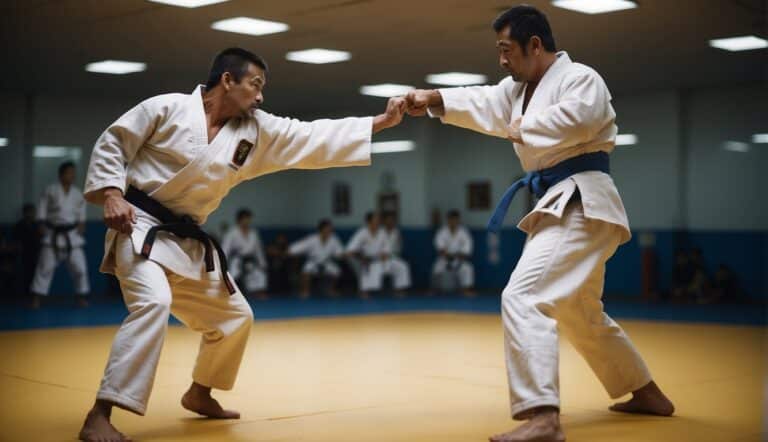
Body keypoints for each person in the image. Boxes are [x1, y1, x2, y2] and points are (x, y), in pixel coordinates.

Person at [78, 47, 407, 442]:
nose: (261, 96)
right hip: (140, 226)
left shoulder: (255, 131)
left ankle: (200, 393)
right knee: (154, 302)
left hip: (186, 240)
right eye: (255, 84)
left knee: (235, 317)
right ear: (227, 80)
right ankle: (101, 412)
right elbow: (114, 143)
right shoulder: (166, 107)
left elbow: (311, 134)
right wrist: (112, 194)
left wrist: (381, 122)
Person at [405, 6, 673, 441]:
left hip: (583, 200)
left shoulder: (581, 79)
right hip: (564, 203)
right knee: (580, 312)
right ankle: (646, 392)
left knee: (524, 296)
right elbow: (481, 100)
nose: (502, 61)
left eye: (506, 50)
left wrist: (518, 125)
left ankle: (542, 416)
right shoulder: (517, 91)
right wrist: (433, 98)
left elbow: (576, 120)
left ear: (535, 45)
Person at [30, 162, 90, 309]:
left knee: (80, 268)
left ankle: (81, 296)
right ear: (61, 174)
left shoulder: (77, 193)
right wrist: (41, 224)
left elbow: (81, 214)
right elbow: (42, 209)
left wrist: (82, 224)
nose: (72, 175)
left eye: (73, 172)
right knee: (45, 267)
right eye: (69, 172)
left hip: (72, 235)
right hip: (52, 234)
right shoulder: (50, 190)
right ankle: (36, 298)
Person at [346, 212, 411, 298]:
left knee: (402, 266)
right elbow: (350, 250)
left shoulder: (382, 233)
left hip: (382, 259)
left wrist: (385, 254)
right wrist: (361, 257)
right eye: (375, 220)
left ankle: (398, 289)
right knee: (371, 268)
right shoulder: (361, 233)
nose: (378, 222)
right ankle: (365, 291)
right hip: (367, 260)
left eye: (378, 221)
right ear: (369, 222)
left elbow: (387, 248)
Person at [288, 218, 344, 298]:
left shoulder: (334, 239)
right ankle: (305, 291)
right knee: (306, 271)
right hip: (313, 261)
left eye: (330, 228)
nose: (330, 230)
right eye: (328, 228)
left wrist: (342, 255)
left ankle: (331, 290)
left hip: (326, 262)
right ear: (322, 229)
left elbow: (339, 251)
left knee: (337, 271)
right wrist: (291, 250)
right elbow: (300, 246)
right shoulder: (312, 238)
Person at [221, 208, 268, 299]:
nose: (247, 221)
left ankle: (257, 293)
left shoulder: (253, 233)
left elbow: (258, 250)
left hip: (250, 259)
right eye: (245, 219)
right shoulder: (231, 233)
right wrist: (223, 263)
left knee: (258, 274)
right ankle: (233, 294)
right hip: (237, 260)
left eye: (249, 219)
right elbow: (225, 249)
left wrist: (262, 262)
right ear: (239, 220)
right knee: (233, 276)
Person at [432, 209, 475, 296]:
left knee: (467, 268)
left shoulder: (464, 233)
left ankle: (466, 290)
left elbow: (467, 250)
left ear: (458, 220)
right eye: (451, 219)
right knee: (436, 268)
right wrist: (448, 255)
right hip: (444, 259)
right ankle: (434, 289)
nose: (453, 221)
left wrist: (456, 256)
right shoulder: (442, 232)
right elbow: (440, 249)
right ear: (447, 220)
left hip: (459, 259)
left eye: (455, 219)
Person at [12, 203, 42, 301]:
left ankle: (36, 294)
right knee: (26, 274)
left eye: (32, 212)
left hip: (35, 252)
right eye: (29, 212)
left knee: (36, 274)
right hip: (24, 253)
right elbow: (16, 241)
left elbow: (39, 239)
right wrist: (18, 251)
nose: (31, 214)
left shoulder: (36, 225)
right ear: (25, 213)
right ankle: (26, 294)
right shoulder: (19, 226)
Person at [380, 211, 412, 298]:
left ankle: (399, 289)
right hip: (379, 259)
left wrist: (394, 255)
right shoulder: (379, 232)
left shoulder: (396, 232)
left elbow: (398, 249)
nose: (390, 222)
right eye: (388, 220)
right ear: (384, 221)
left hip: (392, 258)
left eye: (392, 220)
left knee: (403, 266)